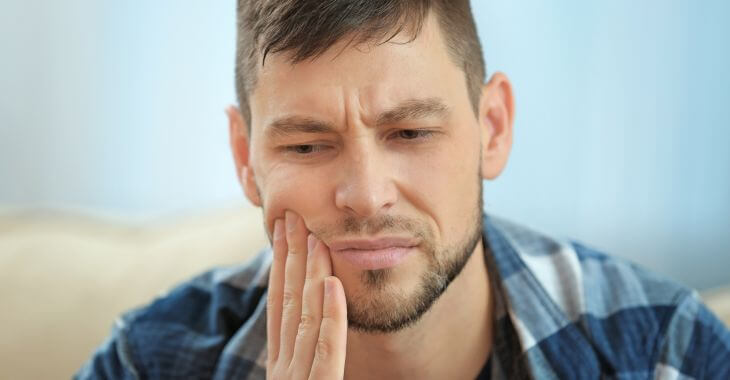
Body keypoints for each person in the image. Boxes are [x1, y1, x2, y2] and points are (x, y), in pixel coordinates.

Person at [76, 1, 730, 379]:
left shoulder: (663, 352)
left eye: (411, 132)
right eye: (306, 145)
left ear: (492, 128)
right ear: (246, 157)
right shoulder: (149, 361)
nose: (365, 194)